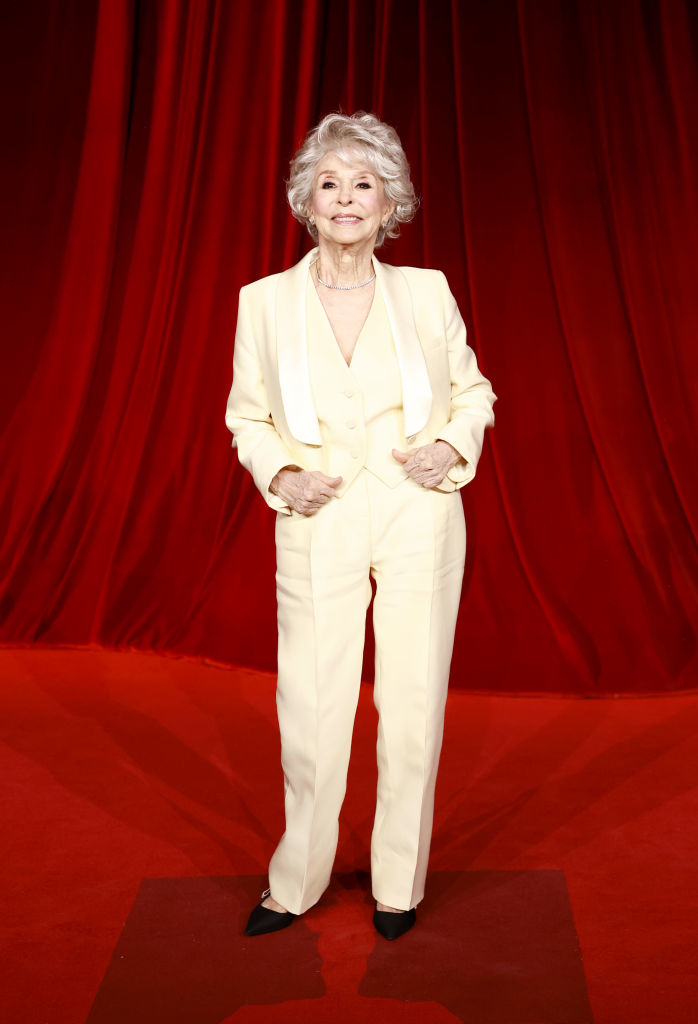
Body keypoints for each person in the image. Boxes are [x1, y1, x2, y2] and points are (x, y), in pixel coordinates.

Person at [225, 112, 496, 941]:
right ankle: (295, 881)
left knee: (412, 705)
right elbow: (247, 417)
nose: (346, 199)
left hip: (419, 511)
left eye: (364, 184)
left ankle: (397, 885)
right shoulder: (263, 302)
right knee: (310, 705)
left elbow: (474, 393)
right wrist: (282, 473)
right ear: (307, 201)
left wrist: (449, 442)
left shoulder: (429, 290)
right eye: (330, 184)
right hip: (318, 513)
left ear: (390, 205)